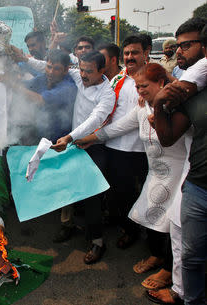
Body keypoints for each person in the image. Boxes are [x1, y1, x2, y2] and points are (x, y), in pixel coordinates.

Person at [78, 63, 191, 305]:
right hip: (156, 175)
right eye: (137, 87)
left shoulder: (179, 108)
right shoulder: (141, 110)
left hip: (179, 175)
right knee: (147, 216)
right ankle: (157, 256)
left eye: (144, 86)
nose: (139, 92)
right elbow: (115, 128)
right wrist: (85, 139)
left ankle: (170, 271)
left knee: (174, 226)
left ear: (161, 84)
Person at [152, 20, 206, 305]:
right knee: (185, 241)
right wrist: (159, 104)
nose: (179, 50)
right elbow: (169, 136)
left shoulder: (196, 76)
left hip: (191, 175)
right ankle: (184, 293)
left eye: (187, 44)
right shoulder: (189, 84)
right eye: (178, 44)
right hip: (194, 176)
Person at [51, 51, 115, 264]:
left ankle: (97, 241)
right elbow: (48, 63)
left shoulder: (107, 93)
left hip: (93, 146)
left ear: (102, 71)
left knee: (92, 196)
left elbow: (95, 119)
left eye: (89, 71)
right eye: (82, 69)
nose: (84, 75)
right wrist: (24, 59)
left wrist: (70, 136)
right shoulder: (78, 77)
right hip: (74, 146)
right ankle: (68, 226)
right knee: (69, 190)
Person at [104, 35, 149, 250]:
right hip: (115, 147)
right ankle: (128, 228)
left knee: (144, 192)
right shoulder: (118, 79)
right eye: (127, 53)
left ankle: (146, 232)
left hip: (140, 148)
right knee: (120, 192)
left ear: (146, 53)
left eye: (135, 52)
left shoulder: (152, 79)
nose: (130, 57)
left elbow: (135, 120)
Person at [0, 49, 77, 142]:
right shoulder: (44, 78)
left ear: (66, 70)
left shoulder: (68, 87)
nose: (51, 72)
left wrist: (12, 84)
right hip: (40, 133)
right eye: (49, 67)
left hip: (59, 140)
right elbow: (24, 85)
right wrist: (5, 73)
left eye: (57, 69)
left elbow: (40, 99)